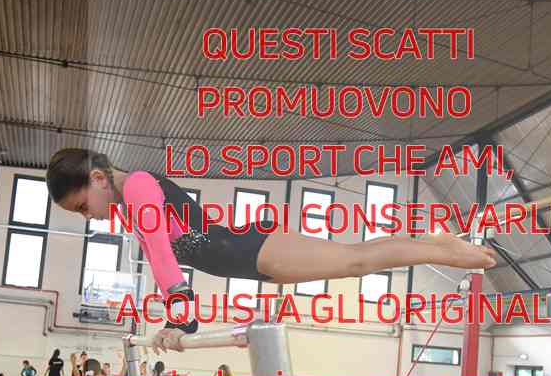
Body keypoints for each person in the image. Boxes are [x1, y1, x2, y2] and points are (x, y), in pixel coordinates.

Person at [44, 149, 497, 353]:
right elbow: (163, 262)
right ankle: (433, 243)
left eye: (82, 206)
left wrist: (181, 318)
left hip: (251, 249)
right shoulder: (130, 202)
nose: (88, 216)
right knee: (353, 255)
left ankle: (440, 251)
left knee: (355, 262)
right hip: (248, 255)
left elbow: (163, 256)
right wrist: (175, 318)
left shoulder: (139, 186)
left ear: (97, 179)